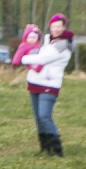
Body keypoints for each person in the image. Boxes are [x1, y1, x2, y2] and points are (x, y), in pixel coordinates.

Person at [20, 14, 73, 156]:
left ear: (64, 27)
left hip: (50, 84)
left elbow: (43, 58)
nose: (56, 29)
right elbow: (37, 51)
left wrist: (23, 58)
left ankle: (56, 148)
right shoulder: (48, 40)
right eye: (53, 26)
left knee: (44, 115)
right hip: (35, 82)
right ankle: (45, 146)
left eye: (59, 26)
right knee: (38, 117)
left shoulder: (63, 45)